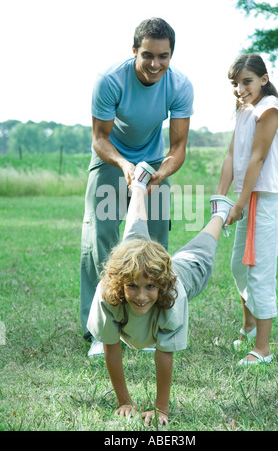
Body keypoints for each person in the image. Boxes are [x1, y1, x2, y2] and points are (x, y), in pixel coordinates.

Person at [87, 162, 237, 426]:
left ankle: (219, 214)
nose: (141, 296)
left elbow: (164, 353)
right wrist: (124, 401)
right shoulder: (108, 292)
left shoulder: (173, 292)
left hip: (175, 273)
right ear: (120, 282)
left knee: (201, 252)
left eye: (149, 288)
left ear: (161, 286)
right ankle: (140, 185)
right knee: (134, 230)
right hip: (138, 264)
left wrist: (161, 409)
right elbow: (111, 346)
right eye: (133, 287)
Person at [80, 18, 194, 353]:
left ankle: (152, 325)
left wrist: (160, 173)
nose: (155, 64)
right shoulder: (110, 80)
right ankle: (102, 331)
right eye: (148, 55)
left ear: (171, 55)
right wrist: (124, 165)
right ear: (134, 52)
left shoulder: (180, 85)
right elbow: (99, 139)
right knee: (101, 236)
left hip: (155, 160)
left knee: (155, 242)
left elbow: (178, 148)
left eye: (164, 56)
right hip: (112, 157)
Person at [216, 53, 278, 366]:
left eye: (246, 81)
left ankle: (262, 349)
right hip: (248, 199)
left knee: (260, 273)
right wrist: (221, 199)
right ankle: (249, 325)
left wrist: (239, 203)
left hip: (268, 201)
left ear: (263, 79)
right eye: (235, 83)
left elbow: (257, 160)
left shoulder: (271, 107)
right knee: (239, 266)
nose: (240, 88)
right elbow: (231, 155)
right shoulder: (244, 108)